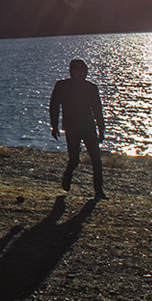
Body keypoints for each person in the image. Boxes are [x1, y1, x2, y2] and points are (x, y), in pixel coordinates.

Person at [49, 58, 107, 198]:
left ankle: (98, 190)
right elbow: (54, 106)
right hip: (72, 128)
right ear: (71, 71)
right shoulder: (62, 86)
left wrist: (101, 129)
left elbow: (97, 110)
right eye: (77, 70)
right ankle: (67, 177)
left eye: (82, 70)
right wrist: (54, 125)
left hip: (88, 127)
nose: (80, 73)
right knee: (74, 159)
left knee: (96, 160)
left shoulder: (91, 88)